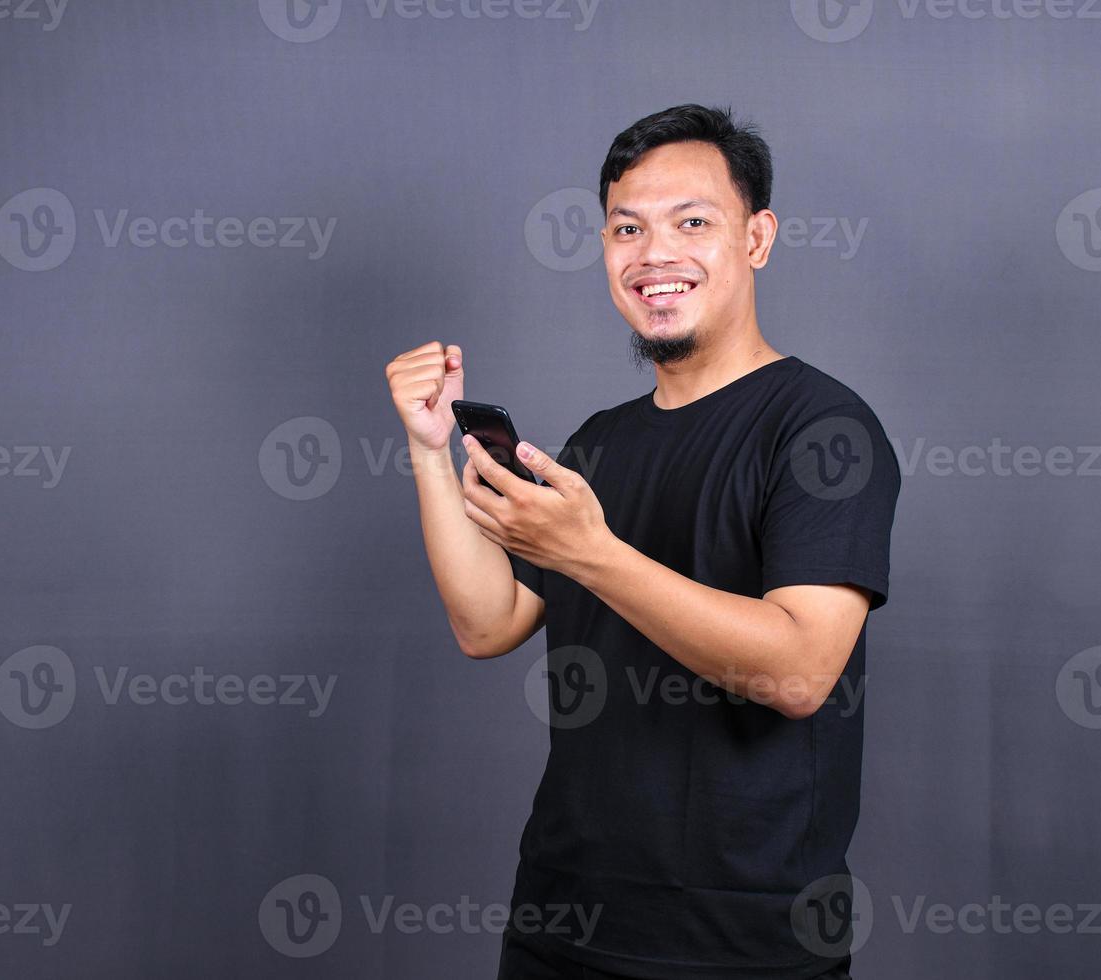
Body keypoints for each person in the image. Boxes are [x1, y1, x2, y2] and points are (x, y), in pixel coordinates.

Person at [386, 103, 900, 979]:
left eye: (691, 222)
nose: (653, 254)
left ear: (757, 238)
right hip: (562, 924)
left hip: (742, 944)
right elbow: (488, 622)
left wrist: (592, 550)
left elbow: (801, 670)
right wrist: (431, 452)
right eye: (627, 229)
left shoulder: (822, 429)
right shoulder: (600, 442)